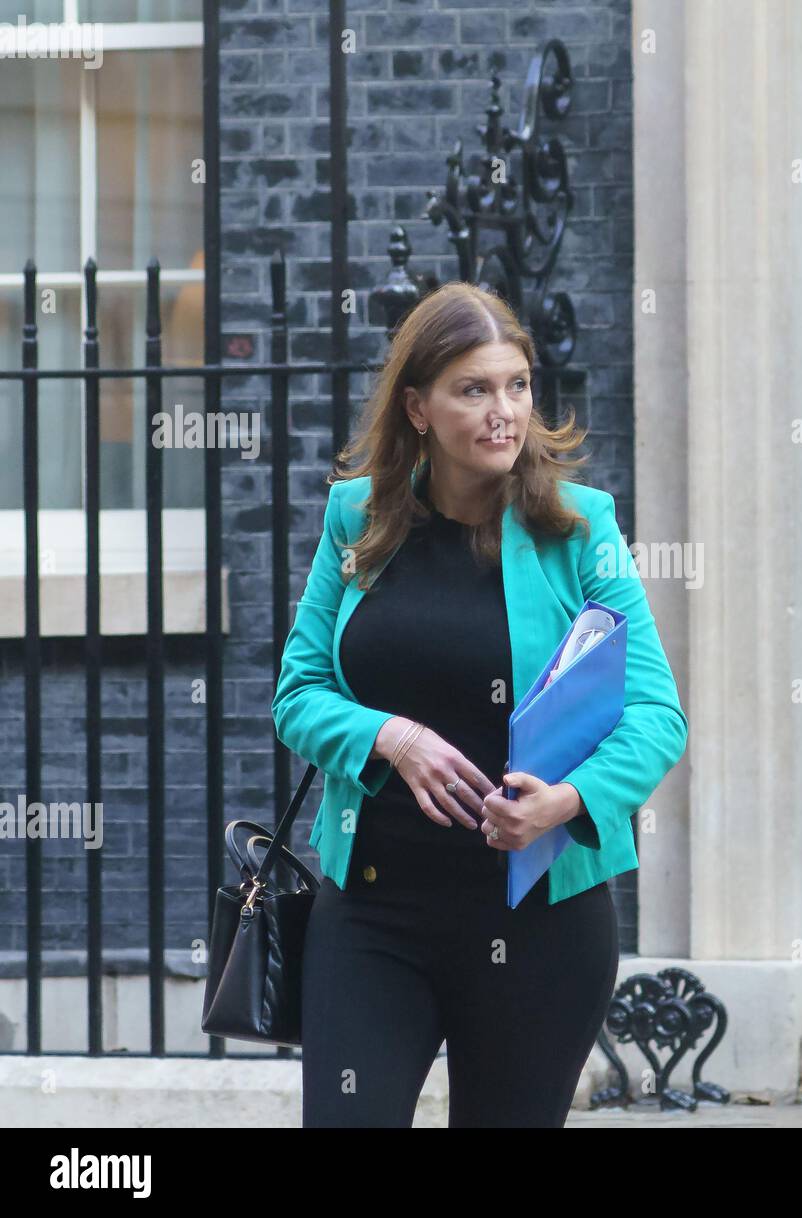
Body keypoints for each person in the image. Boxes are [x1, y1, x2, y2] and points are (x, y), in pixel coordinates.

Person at [271, 281, 688, 1127]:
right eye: (475, 389)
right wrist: (391, 736)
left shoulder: (581, 530)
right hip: (374, 913)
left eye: (518, 385)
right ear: (418, 407)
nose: (505, 412)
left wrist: (566, 802)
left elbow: (657, 715)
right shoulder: (358, 519)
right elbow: (298, 694)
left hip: (538, 922)